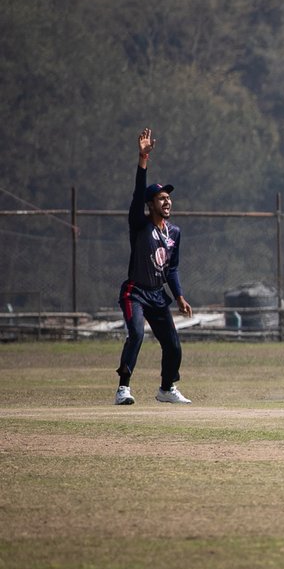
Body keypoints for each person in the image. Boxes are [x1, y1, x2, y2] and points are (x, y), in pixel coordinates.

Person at [114, 128, 193, 405]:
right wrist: (143, 159)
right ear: (150, 205)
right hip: (135, 292)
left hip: (158, 295)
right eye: (161, 198)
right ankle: (123, 388)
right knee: (136, 334)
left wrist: (179, 296)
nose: (167, 200)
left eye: (168, 197)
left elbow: (172, 269)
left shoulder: (174, 233)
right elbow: (138, 193)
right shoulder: (140, 224)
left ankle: (166, 388)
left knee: (173, 345)